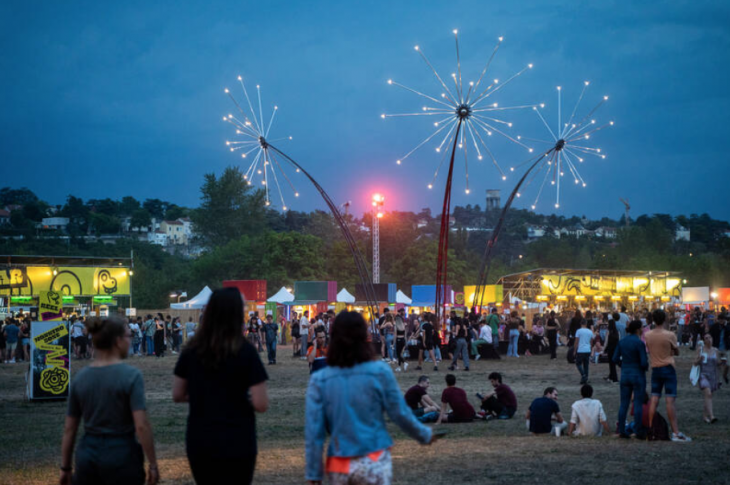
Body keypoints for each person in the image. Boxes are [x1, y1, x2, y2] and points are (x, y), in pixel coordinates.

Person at [305, 311, 436, 485]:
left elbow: (315, 431)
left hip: (340, 461)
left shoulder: (319, 379)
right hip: (375, 457)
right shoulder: (380, 372)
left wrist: (314, 473)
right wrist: (424, 434)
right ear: (363, 337)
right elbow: (400, 413)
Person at [173, 287, 269, 484]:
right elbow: (261, 403)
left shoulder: (191, 350)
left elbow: (177, 394)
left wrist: (205, 395)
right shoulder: (246, 352)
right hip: (238, 437)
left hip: (201, 437)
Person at [60, 316, 159, 485]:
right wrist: (153, 465)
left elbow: (70, 428)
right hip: (122, 454)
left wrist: (66, 468)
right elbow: (141, 425)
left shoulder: (80, 378)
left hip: (88, 456)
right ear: (118, 341)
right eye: (128, 336)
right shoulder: (131, 376)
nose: (130, 340)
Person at [645, 309, 691, 442]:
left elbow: (650, 348)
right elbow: (676, 351)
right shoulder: (670, 335)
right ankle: (676, 432)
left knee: (654, 398)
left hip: (655, 368)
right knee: (670, 400)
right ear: (664, 319)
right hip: (668, 367)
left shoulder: (648, 335)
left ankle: (650, 429)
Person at [613, 320, 648, 439]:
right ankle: (638, 430)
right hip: (637, 374)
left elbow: (614, 358)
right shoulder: (639, 343)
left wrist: (622, 364)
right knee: (637, 403)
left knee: (624, 404)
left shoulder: (622, 342)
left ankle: (621, 429)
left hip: (625, 374)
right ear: (638, 330)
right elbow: (643, 362)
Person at [695, 334, 726, 424]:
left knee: (708, 396)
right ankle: (712, 416)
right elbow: (694, 363)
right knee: (708, 393)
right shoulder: (700, 350)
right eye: (706, 338)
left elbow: (718, 363)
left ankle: (705, 416)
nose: (708, 339)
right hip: (703, 374)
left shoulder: (715, 350)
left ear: (712, 339)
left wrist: (722, 362)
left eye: (710, 337)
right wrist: (699, 360)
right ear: (704, 340)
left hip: (713, 375)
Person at [575, 319, 593, 385]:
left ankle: (583, 375)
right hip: (587, 349)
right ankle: (586, 378)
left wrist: (574, 350)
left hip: (581, 349)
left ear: (580, 324)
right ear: (586, 323)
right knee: (586, 365)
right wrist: (591, 349)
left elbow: (576, 341)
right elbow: (591, 342)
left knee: (578, 363)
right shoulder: (590, 331)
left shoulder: (578, 331)